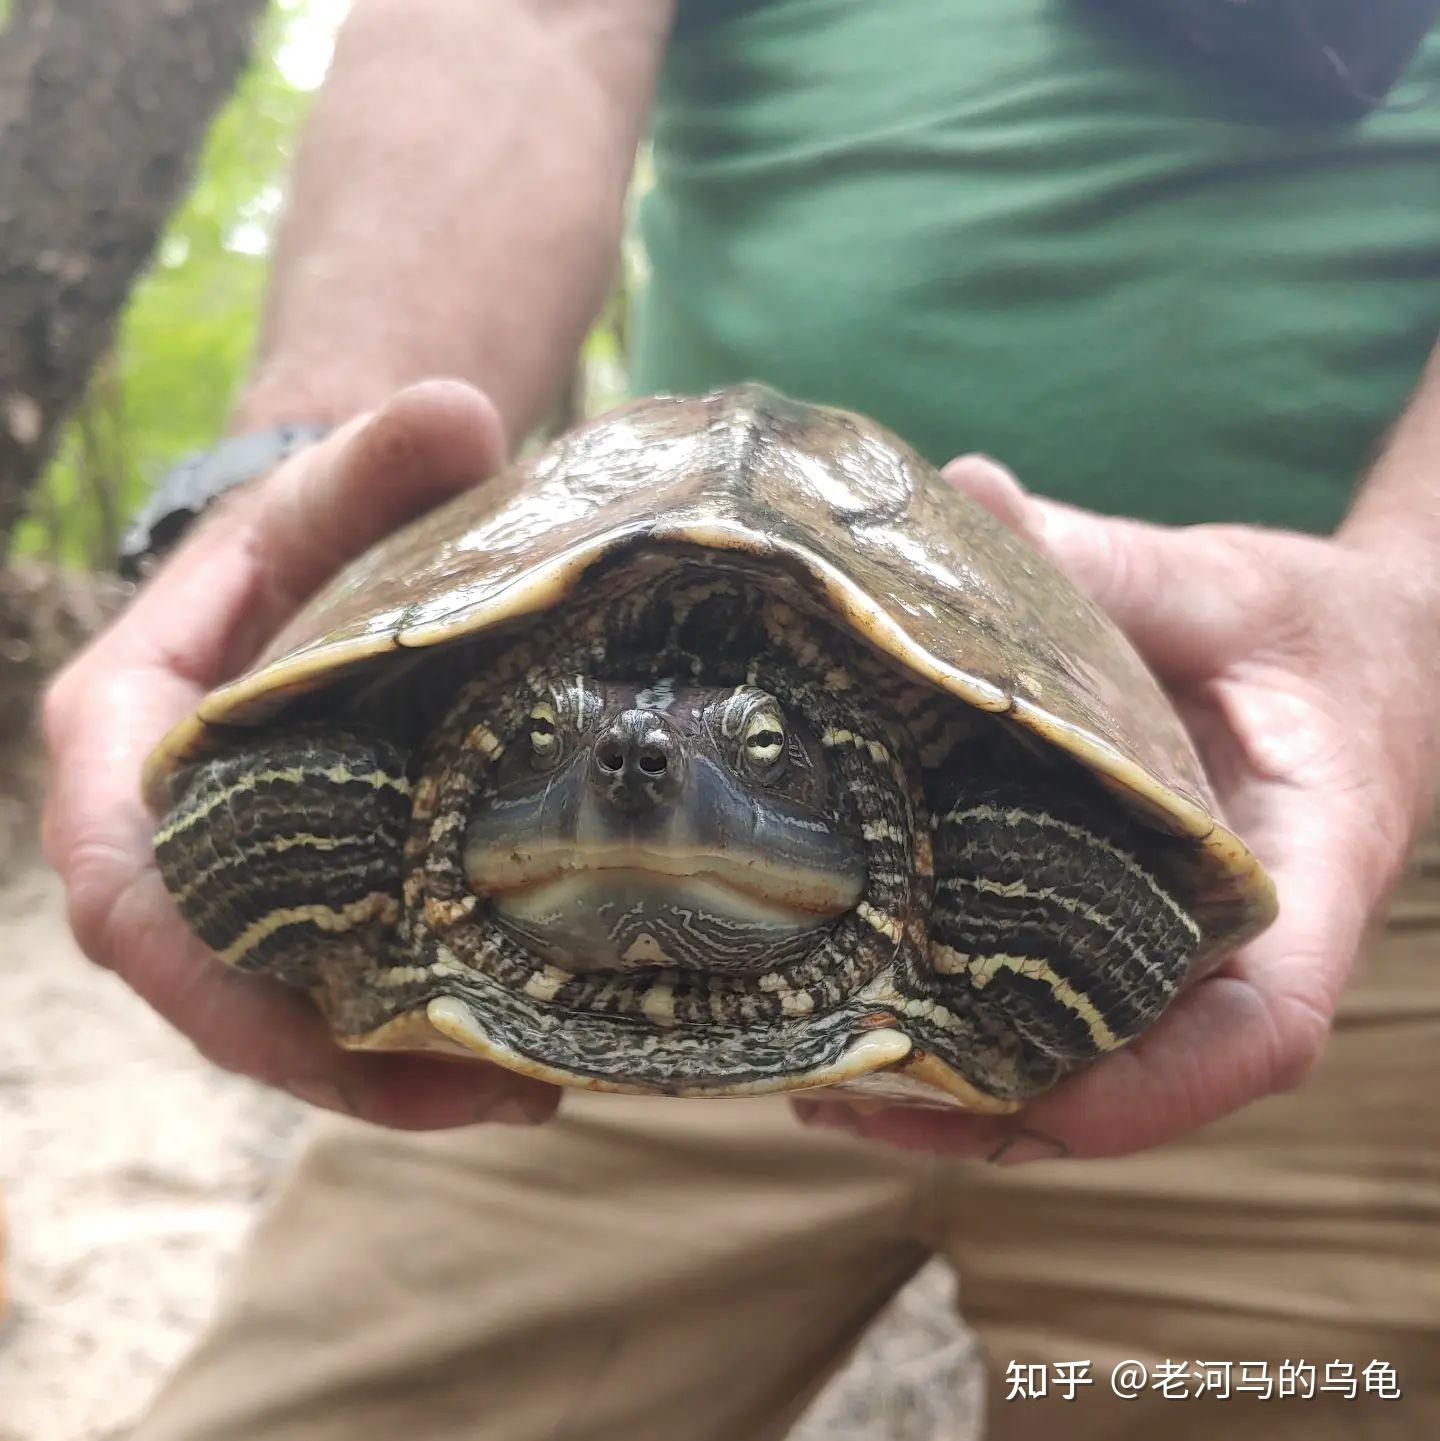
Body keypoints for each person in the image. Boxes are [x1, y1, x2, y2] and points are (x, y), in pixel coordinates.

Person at [43, 0, 1440, 1436]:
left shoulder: (1057, 886)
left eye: (755, 760)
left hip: (1316, 858)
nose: (635, 771)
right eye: (550, 752)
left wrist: (1417, 603)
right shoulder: (431, 836)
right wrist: (296, 493)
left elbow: (1163, 917)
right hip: (513, 1067)